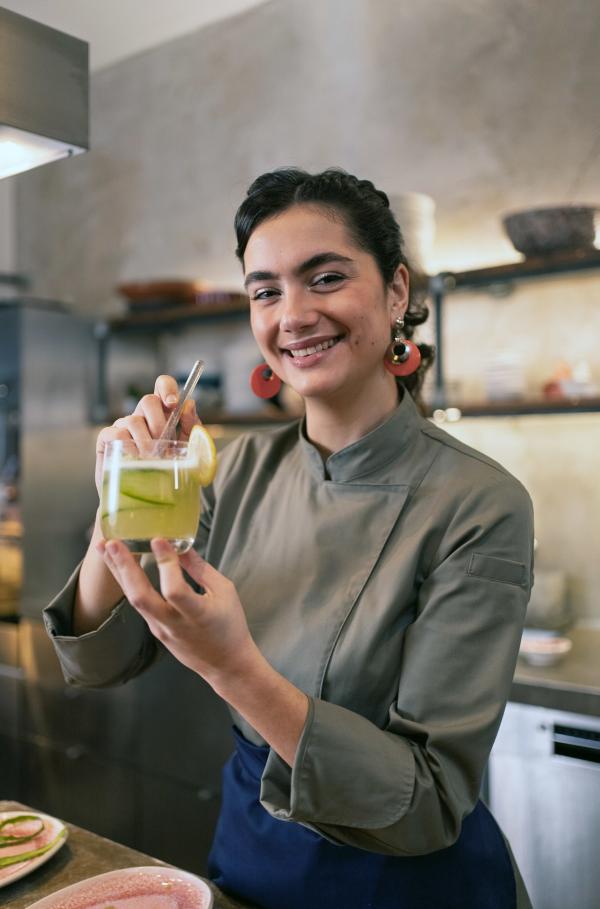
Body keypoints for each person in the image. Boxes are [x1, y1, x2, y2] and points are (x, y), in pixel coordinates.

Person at [44, 168, 534, 909]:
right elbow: (101, 656)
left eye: (326, 277)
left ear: (397, 291)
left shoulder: (480, 502)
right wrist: (122, 500)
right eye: (265, 291)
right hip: (253, 849)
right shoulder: (232, 470)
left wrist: (235, 667)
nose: (294, 314)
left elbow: (431, 801)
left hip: (407, 877)